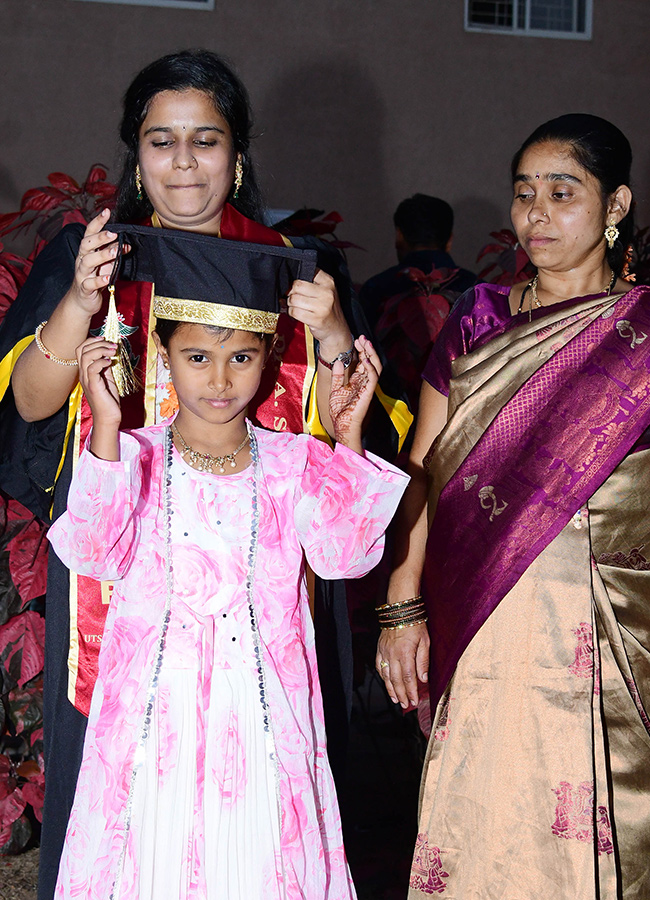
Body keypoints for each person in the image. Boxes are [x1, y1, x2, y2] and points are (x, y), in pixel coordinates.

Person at [0, 49, 410, 900]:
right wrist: (80, 299)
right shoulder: (93, 252)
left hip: (265, 599)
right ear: (135, 154)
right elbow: (32, 406)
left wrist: (332, 326)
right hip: (121, 579)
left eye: (205, 140)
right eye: (161, 140)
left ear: (238, 154)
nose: (183, 162)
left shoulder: (297, 263)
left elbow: (363, 430)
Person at [376, 114, 650, 898]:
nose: (536, 214)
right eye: (524, 194)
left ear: (616, 204)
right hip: (487, 615)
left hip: (610, 625)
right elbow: (421, 469)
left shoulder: (644, 329)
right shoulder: (479, 319)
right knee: (488, 813)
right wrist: (403, 607)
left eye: (563, 194)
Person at [359, 194, 475, 414]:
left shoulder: (376, 288)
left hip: (391, 413)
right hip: (457, 412)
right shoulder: (477, 289)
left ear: (399, 236)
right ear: (449, 239)